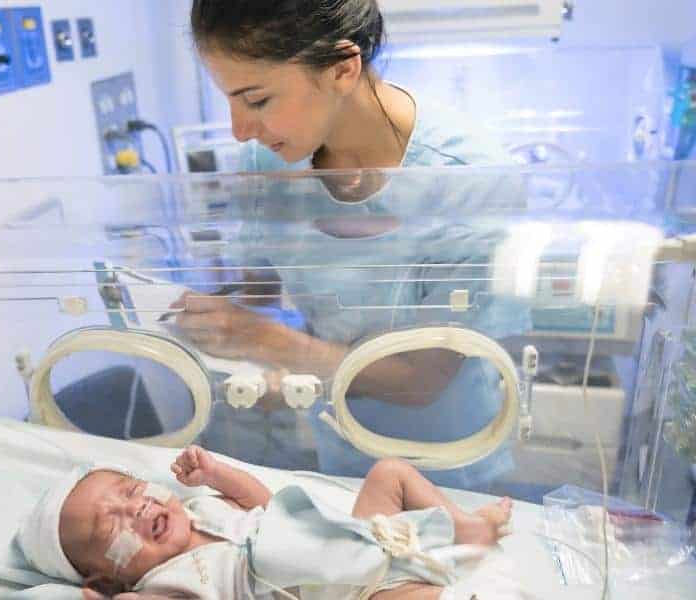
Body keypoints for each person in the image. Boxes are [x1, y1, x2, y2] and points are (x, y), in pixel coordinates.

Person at [172, 0, 530, 488]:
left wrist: (265, 341)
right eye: (229, 101)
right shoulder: (272, 164)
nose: (239, 130)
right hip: (341, 454)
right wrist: (198, 315)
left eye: (256, 101)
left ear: (342, 67)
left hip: (453, 466)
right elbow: (255, 288)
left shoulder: (466, 178)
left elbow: (421, 378)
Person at [18, 446, 513, 600]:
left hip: (360, 540)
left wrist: (215, 473)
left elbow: (264, 503)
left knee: (390, 473)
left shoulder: (203, 509)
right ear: (107, 576)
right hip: (348, 594)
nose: (135, 509)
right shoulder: (167, 584)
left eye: (129, 492)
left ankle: (467, 528)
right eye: (110, 528)